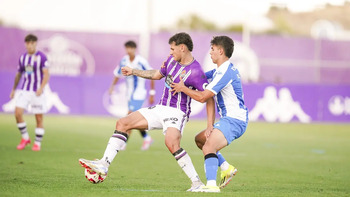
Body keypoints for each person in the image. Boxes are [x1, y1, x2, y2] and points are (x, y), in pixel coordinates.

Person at [79, 32, 216, 191]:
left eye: (173, 49)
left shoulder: (196, 71)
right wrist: (133, 71)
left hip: (178, 112)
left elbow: (208, 98)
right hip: (160, 108)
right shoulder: (171, 60)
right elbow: (156, 74)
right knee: (123, 123)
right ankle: (104, 164)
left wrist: (209, 125)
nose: (170, 52)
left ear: (182, 48)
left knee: (171, 143)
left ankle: (197, 183)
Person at [171, 35, 248, 193]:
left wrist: (183, 88)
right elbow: (200, 77)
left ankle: (211, 186)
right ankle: (226, 168)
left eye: (212, 49)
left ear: (220, 51)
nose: (210, 52)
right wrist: (184, 76)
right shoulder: (221, 70)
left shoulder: (224, 72)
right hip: (231, 119)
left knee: (209, 146)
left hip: (234, 120)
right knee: (200, 140)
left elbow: (203, 97)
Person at [108, 40, 155, 151]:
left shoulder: (141, 61)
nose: (128, 50)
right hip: (129, 94)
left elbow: (153, 74)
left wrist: (152, 93)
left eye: (130, 48)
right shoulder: (124, 60)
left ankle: (123, 142)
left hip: (139, 93)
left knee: (129, 117)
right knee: (134, 119)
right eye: (127, 48)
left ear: (134, 49)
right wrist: (112, 87)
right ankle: (147, 137)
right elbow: (117, 74)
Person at [9, 34, 50, 151]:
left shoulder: (42, 57)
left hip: (37, 91)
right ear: (25, 44)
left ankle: (37, 143)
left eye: (32, 43)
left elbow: (46, 74)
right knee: (17, 113)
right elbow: (19, 74)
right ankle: (25, 138)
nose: (30, 45)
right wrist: (13, 89)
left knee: (38, 118)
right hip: (25, 90)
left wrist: (41, 88)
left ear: (35, 44)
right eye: (28, 43)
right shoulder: (23, 58)